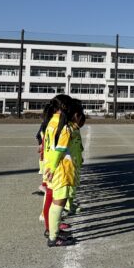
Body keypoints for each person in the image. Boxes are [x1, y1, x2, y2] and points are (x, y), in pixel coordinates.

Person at [43, 99, 82, 247]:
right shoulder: (64, 127)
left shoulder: (52, 122)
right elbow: (59, 149)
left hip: (56, 168)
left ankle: (54, 232)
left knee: (56, 202)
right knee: (58, 203)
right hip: (62, 170)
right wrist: (52, 169)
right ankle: (54, 237)